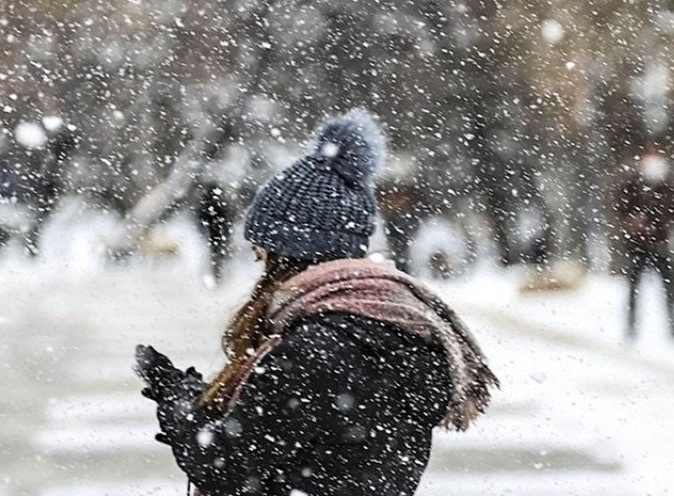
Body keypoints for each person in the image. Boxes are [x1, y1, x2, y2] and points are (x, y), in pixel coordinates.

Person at [135, 110, 497, 496]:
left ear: (291, 251)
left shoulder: (315, 349)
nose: (260, 262)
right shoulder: (395, 329)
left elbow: (228, 466)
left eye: (264, 254)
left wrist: (177, 399)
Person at [614, 146, 674, 341]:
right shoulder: (632, 184)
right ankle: (631, 327)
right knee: (633, 289)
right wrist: (632, 221)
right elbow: (620, 207)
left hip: (661, 246)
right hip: (636, 247)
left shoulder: (669, 186)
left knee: (669, 289)